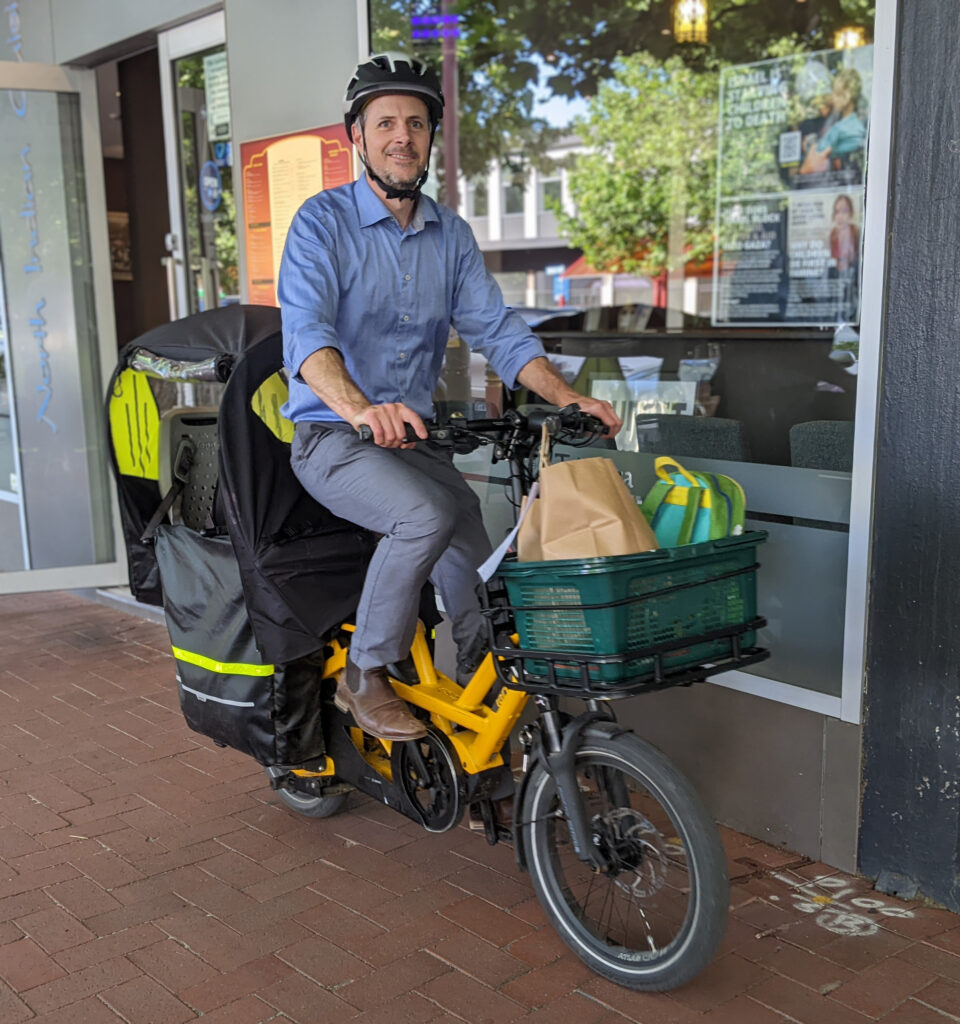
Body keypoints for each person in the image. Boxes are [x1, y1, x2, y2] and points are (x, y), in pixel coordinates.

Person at [278, 53, 620, 742]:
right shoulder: (321, 224)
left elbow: (498, 330)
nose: (401, 137)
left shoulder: (450, 235)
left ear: (430, 136)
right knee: (425, 516)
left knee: (476, 570)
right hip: (334, 440)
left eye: (415, 123)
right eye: (385, 123)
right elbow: (308, 337)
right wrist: (360, 408)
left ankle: (479, 720)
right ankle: (364, 673)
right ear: (358, 137)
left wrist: (567, 397)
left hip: (416, 444)